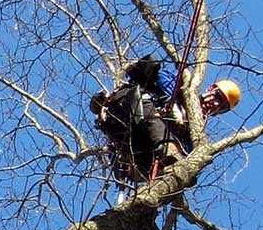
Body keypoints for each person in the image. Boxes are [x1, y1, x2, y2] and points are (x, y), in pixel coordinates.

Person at [90, 58, 241, 184]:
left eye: (221, 106)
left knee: (183, 167)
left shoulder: (195, 133)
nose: (215, 104)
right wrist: (174, 104)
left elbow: (186, 152)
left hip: (140, 149)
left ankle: (159, 167)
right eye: (217, 97)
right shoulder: (180, 86)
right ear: (210, 89)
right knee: (144, 96)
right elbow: (158, 77)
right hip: (129, 110)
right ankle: (167, 150)